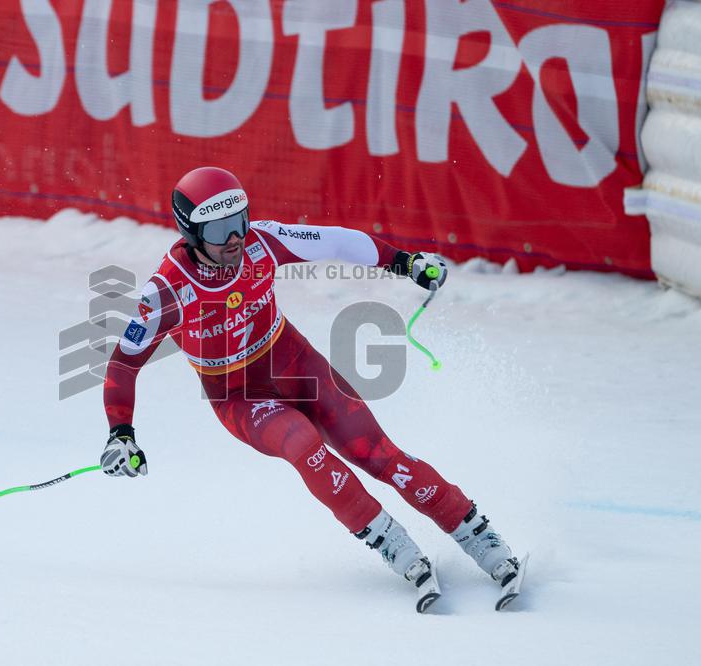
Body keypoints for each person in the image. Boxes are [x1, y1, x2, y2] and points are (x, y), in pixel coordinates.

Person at [100, 166, 519, 605]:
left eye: (240, 221)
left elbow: (336, 241)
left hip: (294, 362)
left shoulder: (262, 241)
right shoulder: (165, 291)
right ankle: (395, 545)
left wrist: (405, 263)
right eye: (220, 229)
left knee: (378, 452)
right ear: (190, 232)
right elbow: (124, 365)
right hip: (241, 398)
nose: (235, 238)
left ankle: (483, 541)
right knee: (303, 446)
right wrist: (120, 434)